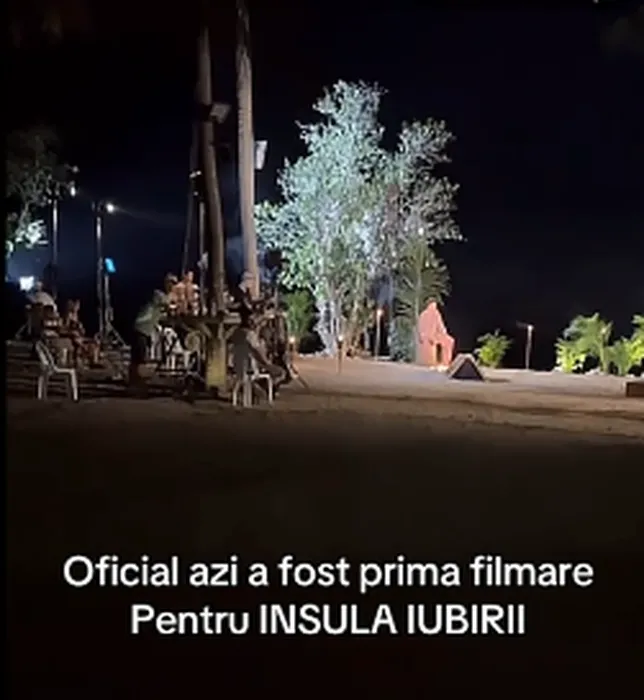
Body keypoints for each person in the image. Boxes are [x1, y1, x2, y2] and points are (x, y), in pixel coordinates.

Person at [129, 289, 168, 389]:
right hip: (141, 332)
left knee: (136, 358)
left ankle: (134, 380)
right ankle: (137, 381)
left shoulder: (153, 308)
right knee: (140, 358)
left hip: (140, 331)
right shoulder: (151, 308)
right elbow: (144, 318)